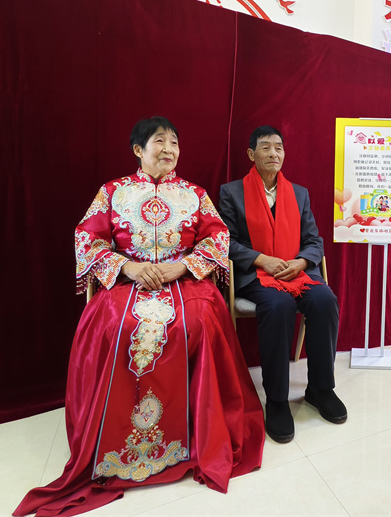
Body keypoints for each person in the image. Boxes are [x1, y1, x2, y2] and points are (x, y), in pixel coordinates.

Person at [14, 117, 265, 517]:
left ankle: (195, 435)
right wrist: (126, 267)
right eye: (159, 141)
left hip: (184, 281)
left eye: (175, 142)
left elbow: (218, 238)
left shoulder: (194, 193)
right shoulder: (112, 192)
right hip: (126, 282)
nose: (169, 149)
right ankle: (114, 439)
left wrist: (182, 266)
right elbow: (86, 237)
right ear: (138, 150)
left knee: (198, 322)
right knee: (117, 325)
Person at [219, 125, 346, 444]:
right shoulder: (231, 192)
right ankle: (277, 399)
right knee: (279, 305)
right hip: (256, 274)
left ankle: (320, 388)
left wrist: (301, 262)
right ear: (251, 154)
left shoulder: (299, 193)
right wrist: (263, 260)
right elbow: (225, 242)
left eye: (279, 147)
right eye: (265, 147)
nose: (274, 153)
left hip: (296, 270)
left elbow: (313, 240)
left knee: (325, 301)